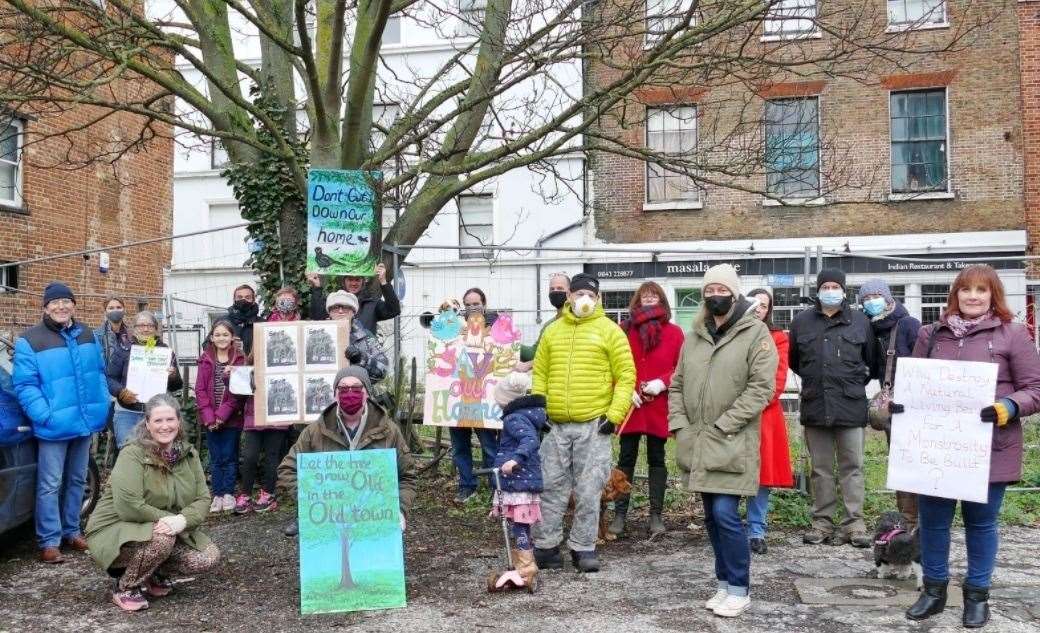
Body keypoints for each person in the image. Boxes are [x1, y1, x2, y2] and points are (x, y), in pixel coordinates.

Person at [901, 265, 1040, 628]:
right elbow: (913, 384)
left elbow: (1035, 390)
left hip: (989, 447)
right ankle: (933, 591)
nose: (973, 296)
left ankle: (977, 595)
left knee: (981, 524)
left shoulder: (1013, 334)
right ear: (955, 294)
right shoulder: (932, 334)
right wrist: (901, 404)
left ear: (993, 294)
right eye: (966, 290)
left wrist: (1007, 407)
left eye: (982, 290)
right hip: (936, 448)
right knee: (933, 524)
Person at [668, 265, 777, 618]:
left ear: (734, 293)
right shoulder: (694, 336)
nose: (714, 295)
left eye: (721, 289)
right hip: (697, 440)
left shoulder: (756, 332)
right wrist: (680, 425)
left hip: (731, 440)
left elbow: (761, 387)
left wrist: (724, 424)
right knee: (711, 518)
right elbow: (677, 384)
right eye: (709, 289)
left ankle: (740, 588)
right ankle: (723, 584)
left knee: (725, 513)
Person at [531, 272, 636, 573]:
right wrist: (540, 411)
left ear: (598, 298)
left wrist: (613, 416)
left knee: (590, 489)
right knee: (551, 487)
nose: (584, 300)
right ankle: (547, 546)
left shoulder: (610, 331)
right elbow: (539, 373)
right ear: (570, 297)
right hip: (556, 425)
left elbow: (626, 375)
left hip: (594, 424)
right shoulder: (553, 332)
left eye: (590, 295)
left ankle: (583, 548)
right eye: (578, 294)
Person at [85, 394, 219, 612]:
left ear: (178, 422)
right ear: (147, 423)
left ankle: (151, 573)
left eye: (170, 420)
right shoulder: (133, 453)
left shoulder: (189, 454)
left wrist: (183, 520)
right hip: (115, 529)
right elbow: (129, 505)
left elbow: (203, 498)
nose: (165, 426)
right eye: (158, 421)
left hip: (158, 527)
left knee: (207, 557)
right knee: (162, 539)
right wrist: (170, 520)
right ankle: (124, 587)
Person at [13, 282, 111, 563]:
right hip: (53, 426)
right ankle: (49, 540)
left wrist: (103, 403)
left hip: (83, 422)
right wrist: (45, 415)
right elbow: (25, 385)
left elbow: (100, 373)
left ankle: (72, 530)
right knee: (50, 484)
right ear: (45, 307)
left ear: (73, 305)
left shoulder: (88, 335)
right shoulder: (30, 340)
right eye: (54, 303)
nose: (60, 307)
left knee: (78, 480)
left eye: (66, 301)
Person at [788, 268, 877, 548]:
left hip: (850, 406)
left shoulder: (861, 321)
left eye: (834, 286)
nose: (830, 291)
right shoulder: (801, 322)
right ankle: (822, 522)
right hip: (816, 404)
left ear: (843, 290)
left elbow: (872, 362)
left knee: (853, 467)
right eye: (825, 286)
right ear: (817, 290)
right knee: (821, 468)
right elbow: (795, 361)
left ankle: (854, 523)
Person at [277, 366, 416, 535]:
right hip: (327, 524)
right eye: (343, 388)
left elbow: (407, 476)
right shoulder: (314, 433)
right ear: (335, 394)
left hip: (374, 522)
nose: (350, 393)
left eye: (357, 388)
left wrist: (400, 510)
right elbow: (288, 469)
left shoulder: (389, 431)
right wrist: (308, 500)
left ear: (367, 393)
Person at [609, 281, 684, 539]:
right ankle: (620, 515)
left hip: (658, 404)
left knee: (657, 457)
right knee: (626, 457)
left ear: (662, 299)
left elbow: (682, 368)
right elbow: (613, 364)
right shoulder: (624, 330)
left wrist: (662, 382)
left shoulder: (675, 333)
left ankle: (656, 515)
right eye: (644, 296)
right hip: (631, 403)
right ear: (637, 301)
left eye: (654, 295)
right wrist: (624, 387)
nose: (649, 298)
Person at [857, 278, 921, 528]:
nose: (872, 301)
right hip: (893, 410)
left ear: (888, 297)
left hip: (916, 407)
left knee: (918, 462)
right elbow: (872, 369)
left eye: (876, 295)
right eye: (866, 298)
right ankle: (908, 519)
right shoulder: (870, 328)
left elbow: (925, 364)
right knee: (900, 462)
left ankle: (927, 518)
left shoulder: (909, 325)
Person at [744, 288, 794, 555]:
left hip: (764, 413)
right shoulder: (730, 332)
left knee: (761, 475)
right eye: (755, 304)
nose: (759, 309)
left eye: (764, 305)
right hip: (730, 410)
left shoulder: (777, 338)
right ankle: (726, 524)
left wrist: (751, 404)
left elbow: (778, 377)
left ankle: (756, 528)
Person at [489, 371, 547, 588]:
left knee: (519, 525)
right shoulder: (526, 415)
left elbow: (530, 440)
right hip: (516, 482)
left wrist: (515, 460)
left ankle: (526, 566)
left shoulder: (514, 418)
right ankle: (522, 562)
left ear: (507, 400)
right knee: (517, 524)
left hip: (518, 481)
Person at [449, 286, 500, 504]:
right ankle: (466, 486)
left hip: (484, 398)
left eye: (476, 303)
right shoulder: (453, 330)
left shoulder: (496, 329)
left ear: (484, 304)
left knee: (489, 445)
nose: (472, 308)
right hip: (458, 398)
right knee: (460, 445)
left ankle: (496, 488)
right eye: (468, 304)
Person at [106, 311, 183, 449]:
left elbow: (177, 385)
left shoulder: (165, 352)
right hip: (127, 412)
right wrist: (121, 392)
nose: (146, 329)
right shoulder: (123, 349)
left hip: (156, 412)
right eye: (141, 325)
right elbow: (110, 379)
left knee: (156, 452)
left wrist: (173, 376)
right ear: (134, 328)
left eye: (150, 325)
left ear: (156, 328)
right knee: (128, 452)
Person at [195, 320, 246, 513]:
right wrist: (209, 417)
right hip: (210, 419)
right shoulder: (205, 358)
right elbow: (200, 390)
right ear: (211, 337)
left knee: (230, 456)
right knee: (216, 458)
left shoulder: (239, 359)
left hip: (231, 418)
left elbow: (237, 394)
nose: (221, 338)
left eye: (225, 334)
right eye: (217, 335)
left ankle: (228, 493)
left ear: (232, 337)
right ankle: (216, 494)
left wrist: (221, 416)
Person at [306, 262, 401, 333]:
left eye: (357, 280)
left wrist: (383, 281)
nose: (354, 283)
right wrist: (316, 287)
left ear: (363, 281)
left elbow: (394, 310)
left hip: (364, 357)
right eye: (350, 279)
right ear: (344, 281)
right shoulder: (334, 303)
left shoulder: (372, 304)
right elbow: (317, 317)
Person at [325, 290, 389, 382]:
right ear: (329, 312)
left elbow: (383, 369)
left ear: (353, 312)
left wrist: (361, 358)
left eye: (346, 307)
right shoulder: (318, 335)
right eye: (335, 307)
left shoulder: (365, 336)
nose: (340, 311)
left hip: (357, 392)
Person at [519, 273, 570, 367]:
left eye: (560, 288)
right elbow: (535, 353)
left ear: (570, 292)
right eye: (552, 289)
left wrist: (529, 365)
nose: (555, 292)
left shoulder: (577, 321)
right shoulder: (548, 325)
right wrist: (511, 345)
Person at [226, 284, 264, 356]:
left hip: (256, 365)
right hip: (230, 365)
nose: (243, 300)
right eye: (239, 297)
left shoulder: (262, 324)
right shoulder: (223, 322)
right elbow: (208, 345)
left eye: (247, 297)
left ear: (253, 300)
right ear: (234, 300)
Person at [94, 296, 131, 366]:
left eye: (119, 307)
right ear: (105, 312)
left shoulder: (130, 335)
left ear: (124, 310)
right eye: (111, 308)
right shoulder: (97, 335)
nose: (115, 310)